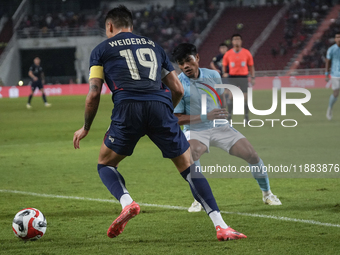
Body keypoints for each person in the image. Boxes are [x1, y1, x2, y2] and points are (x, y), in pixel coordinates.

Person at [73, 5, 246, 241]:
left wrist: (86, 127)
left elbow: (93, 94)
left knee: (105, 164)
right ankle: (221, 225)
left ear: (109, 26)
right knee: (189, 167)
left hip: (127, 108)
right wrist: (166, 109)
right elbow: (177, 88)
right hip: (159, 105)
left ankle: (127, 202)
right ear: (132, 27)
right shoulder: (154, 46)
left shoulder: (101, 50)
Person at [172, 43, 281, 213]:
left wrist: (222, 115)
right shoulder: (178, 84)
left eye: (188, 60)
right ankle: (198, 199)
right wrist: (205, 116)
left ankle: (267, 194)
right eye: (181, 63)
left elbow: (220, 98)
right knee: (191, 154)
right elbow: (176, 118)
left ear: (197, 58)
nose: (185, 66)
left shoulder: (213, 75)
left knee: (252, 154)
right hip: (195, 130)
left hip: (220, 126)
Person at [222, 34, 255, 124]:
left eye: (238, 39)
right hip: (232, 77)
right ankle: (229, 116)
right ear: (232, 42)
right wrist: (224, 72)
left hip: (243, 77)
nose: (236, 41)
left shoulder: (246, 53)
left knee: (245, 97)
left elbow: (251, 66)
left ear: (241, 41)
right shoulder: (228, 54)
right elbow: (224, 65)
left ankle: (246, 116)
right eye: (235, 39)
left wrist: (252, 77)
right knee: (231, 96)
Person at [325, 32, 340, 120]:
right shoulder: (331, 49)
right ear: (335, 39)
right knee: (336, 93)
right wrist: (326, 74)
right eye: (337, 37)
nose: (339, 39)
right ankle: (330, 108)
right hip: (335, 74)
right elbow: (327, 61)